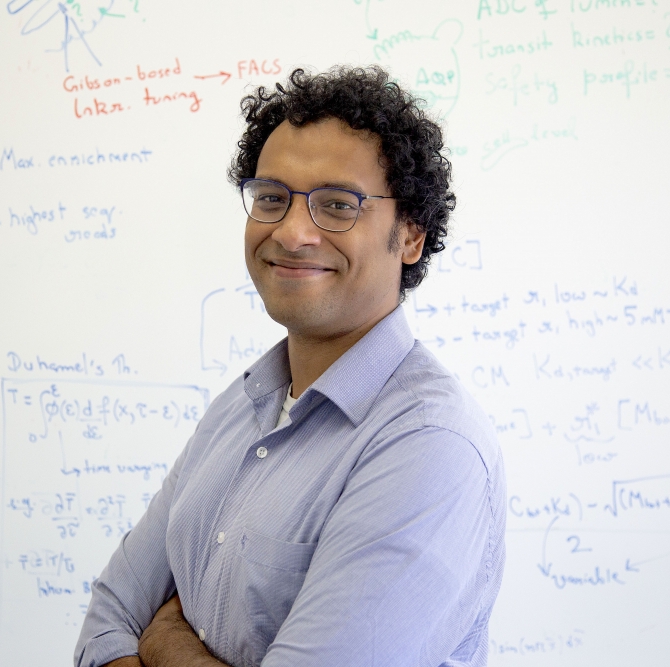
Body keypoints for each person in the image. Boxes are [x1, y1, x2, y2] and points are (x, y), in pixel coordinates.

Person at [74, 65, 505, 667]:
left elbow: (137, 630)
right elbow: (105, 627)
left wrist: (165, 641)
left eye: (337, 205)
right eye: (272, 198)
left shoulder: (428, 448)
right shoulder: (244, 404)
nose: (293, 231)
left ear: (410, 234)